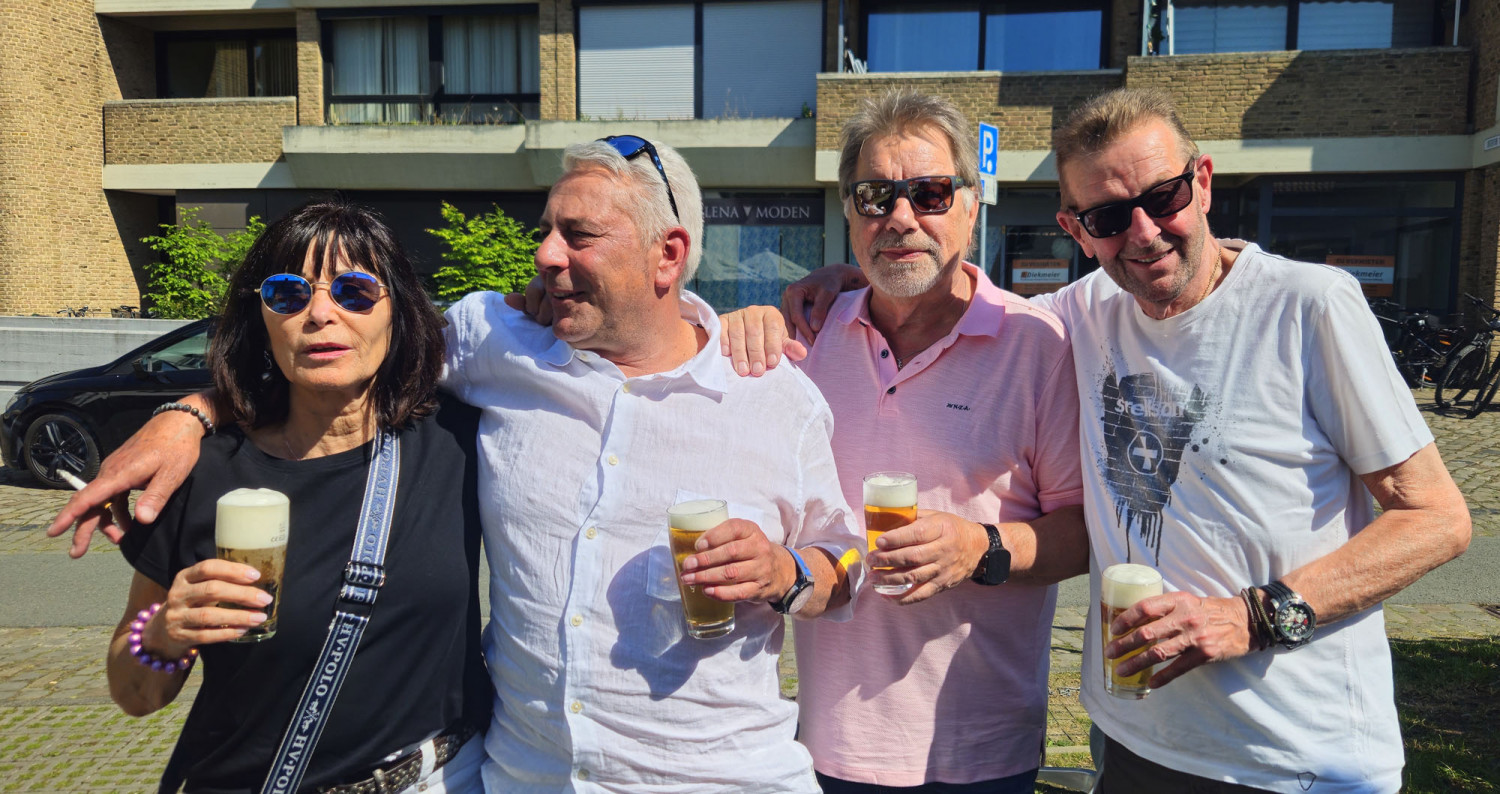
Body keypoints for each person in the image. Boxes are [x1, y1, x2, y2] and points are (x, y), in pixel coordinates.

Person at [55, 137, 864, 791]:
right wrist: (189, 415)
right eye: (288, 296)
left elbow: (848, 562)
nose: (545, 255)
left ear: (668, 255)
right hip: (523, 778)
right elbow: (136, 685)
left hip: (702, 778)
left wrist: (787, 571)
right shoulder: (488, 351)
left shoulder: (769, 394)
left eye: (577, 235)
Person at [748, 87, 1472, 793]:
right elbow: (932, 286)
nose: (1144, 233)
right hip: (1132, 738)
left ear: (1203, 181)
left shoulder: (1307, 306)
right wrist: (837, 285)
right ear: (1076, 230)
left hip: (1297, 756)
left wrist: (1253, 616)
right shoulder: (1080, 314)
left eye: (1164, 197)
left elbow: (1438, 519)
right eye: (1108, 216)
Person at [724, 90, 1087, 793]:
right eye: (874, 196)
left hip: (982, 749)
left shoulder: (1038, 345)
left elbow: (1081, 533)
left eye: (929, 193)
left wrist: (980, 548)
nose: (900, 217)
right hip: (828, 742)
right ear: (849, 213)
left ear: (971, 206)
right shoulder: (803, 339)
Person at [104, 200, 489, 792]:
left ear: (397, 312)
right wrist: (164, 634)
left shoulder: (458, 441)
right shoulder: (203, 471)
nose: (321, 314)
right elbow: (135, 695)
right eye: (287, 294)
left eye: (355, 292)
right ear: (260, 318)